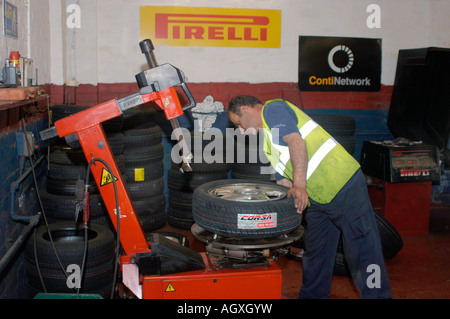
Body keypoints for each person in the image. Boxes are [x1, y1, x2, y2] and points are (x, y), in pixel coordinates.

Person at [228, 95, 391, 299]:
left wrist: (299, 186)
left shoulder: (272, 109)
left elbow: (297, 142)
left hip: (343, 184)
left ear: (245, 108)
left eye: (239, 123)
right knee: (316, 252)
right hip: (317, 198)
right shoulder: (267, 143)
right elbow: (284, 181)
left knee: (363, 250)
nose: (241, 130)